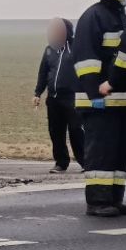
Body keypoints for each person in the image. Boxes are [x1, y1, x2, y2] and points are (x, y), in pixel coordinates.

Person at [72, 0, 126, 217]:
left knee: (120, 153)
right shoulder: (94, 16)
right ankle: (97, 201)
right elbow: (86, 61)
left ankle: (114, 199)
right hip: (100, 101)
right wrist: (94, 95)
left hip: (120, 102)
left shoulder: (120, 16)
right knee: (101, 154)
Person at [33, 18, 84, 172]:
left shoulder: (77, 47)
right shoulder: (49, 49)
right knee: (56, 131)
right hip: (54, 98)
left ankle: (85, 162)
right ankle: (61, 163)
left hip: (73, 98)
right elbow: (43, 72)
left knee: (76, 130)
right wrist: (37, 93)